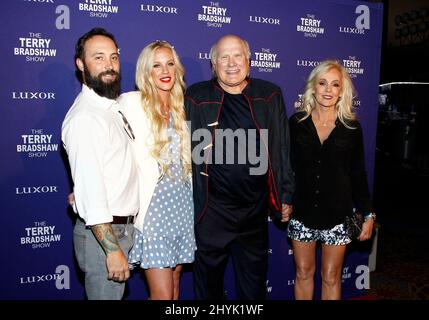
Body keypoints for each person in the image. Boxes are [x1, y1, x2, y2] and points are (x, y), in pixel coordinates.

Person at [185, 34, 294, 300]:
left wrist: (286, 194)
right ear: (213, 63)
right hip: (211, 211)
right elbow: (169, 140)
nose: (231, 63)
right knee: (208, 288)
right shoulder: (195, 96)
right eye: (224, 56)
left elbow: (281, 147)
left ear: (249, 60)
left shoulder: (269, 94)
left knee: (253, 287)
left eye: (238, 56)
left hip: (254, 212)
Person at [287, 60, 375, 300]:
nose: (328, 90)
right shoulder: (296, 123)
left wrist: (368, 214)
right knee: (304, 272)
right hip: (302, 212)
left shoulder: (351, 127)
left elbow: (358, 173)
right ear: (313, 88)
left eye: (335, 84)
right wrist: (284, 200)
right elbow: (286, 167)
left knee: (331, 275)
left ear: (341, 91)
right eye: (322, 83)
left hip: (338, 215)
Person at [61, 28, 139, 300]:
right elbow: (92, 195)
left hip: (120, 229)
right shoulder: (86, 118)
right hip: (105, 236)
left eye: (114, 57)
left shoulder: (111, 107)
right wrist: (112, 250)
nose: (109, 65)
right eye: (99, 58)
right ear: (81, 65)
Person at [118, 40, 196, 300]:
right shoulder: (131, 103)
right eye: (157, 65)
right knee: (162, 294)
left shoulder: (180, 108)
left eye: (170, 63)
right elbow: (106, 143)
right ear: (146, 72)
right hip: (153, 210)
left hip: (183, 207)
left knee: (174, 286)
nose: (165, 71)